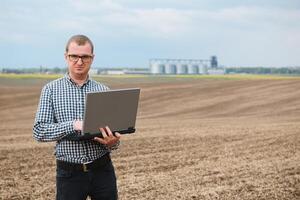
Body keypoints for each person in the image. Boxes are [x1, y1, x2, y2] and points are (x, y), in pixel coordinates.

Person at [33, 34, 121, 200]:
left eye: (85, 57)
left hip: (103, 170)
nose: (79, 62)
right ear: (66, 56)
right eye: (74, 56)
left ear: (92, 58)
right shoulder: (50, 90)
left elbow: (113, 134)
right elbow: (39, 131)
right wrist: (74, 125)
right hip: (69, 174)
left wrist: (113, 143)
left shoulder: (103, 90)